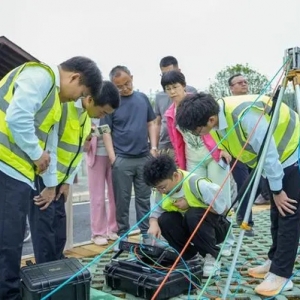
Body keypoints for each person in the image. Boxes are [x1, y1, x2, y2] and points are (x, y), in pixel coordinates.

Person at [175, 92, 299, 296]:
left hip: (292, 151)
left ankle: (281, 274)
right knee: (276, 212)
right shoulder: (215, 120)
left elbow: (269, 154)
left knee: (288, 212)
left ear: (211, 119)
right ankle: (274, 260)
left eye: (198, 131)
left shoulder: (247, 116)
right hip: (272, 160)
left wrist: (277, 190)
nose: (198, 135)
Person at [0, 57, 102, 300]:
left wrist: (51, 182)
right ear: (74, 78)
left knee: (10, 241)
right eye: (81, 93)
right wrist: (36, 154)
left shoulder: (54, 100)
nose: (77, 99)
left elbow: (51, 146)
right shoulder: (40, 76)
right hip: (6, 165)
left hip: (18, 171)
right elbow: (17, 118)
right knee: (8, 244)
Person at [29, 81, 120, 264]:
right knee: (45, 229)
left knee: (58, 225)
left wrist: (67, 181)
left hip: (60, 180)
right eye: (103, 111)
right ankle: (46, 273)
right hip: (43, 177)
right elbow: (50, 147)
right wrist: (49, 184)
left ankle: (59, 266)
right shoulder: (64, 107)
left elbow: (77, 151)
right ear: (89, 99)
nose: (102, 116)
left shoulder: (87, 117)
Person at [161, 70, 234, 256]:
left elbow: (219, 125)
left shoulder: (198, 103)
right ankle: (208, 242)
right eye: (168, 89)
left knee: (219, 196)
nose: (172, 92)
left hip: (214, 154)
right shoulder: (170, 113)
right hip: (192, 158)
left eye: (175, 87)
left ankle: (227, 240)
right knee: (198, 201)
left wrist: (225, 146)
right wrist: (179, 161)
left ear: (184, 86)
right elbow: (176, 139)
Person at [144, 155, 230, 277]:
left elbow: (224, 210)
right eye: (157, 188)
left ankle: (212, 256)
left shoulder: (198, 184)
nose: (161, 191)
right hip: (190, 229)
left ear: (175, 175)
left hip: (216, 229)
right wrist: (153, 224)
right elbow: (155, 213)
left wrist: (189, 204)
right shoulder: (158, 191)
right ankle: (189, 256)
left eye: (163, 187)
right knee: (165, 219)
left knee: (193, 215)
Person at [101, 65, 157, 250]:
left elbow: (151, 122)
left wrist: (154, 147)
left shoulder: (142, 98)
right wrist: (112, 157)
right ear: (113, 85)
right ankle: (122, 236)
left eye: (127, 83)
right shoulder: (111, 103)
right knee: (122, 200)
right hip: (122, 159)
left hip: (144, 157)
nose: (125, 88)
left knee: (144, 198)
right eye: (120, 86)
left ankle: (146, 235)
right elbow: (106, 131)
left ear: (132, 78)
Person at [85, 82, 121, 246]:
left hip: (114, 154)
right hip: (96, 156)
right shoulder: (86, 111)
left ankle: (112, 228)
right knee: (97, 196)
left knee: (114, 194)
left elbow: (108, 131)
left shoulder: (111, 111)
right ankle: (98, 232)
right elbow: (93, 135)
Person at [229, 73, 270, 209]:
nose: (244, 84)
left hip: (254, 150)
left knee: (258, 183)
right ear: (231, 88)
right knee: (244, 183)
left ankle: (244, 212)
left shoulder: (254, 101)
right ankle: (245, 220)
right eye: (239, 82)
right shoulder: (228, 106)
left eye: (245, 81)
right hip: (237, 152)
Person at [154, 56, 197, 158]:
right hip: (164, 145)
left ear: (179, 71)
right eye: (164, 74)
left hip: (186, 144)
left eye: (171, 72)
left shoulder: (192, 92)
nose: (172, 91)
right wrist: (154, 147)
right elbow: (157, 123)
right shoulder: (159, 96)